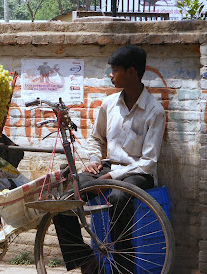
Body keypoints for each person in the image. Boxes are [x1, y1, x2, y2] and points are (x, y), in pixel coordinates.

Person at [54, 45, 166, 273]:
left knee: (118, 197)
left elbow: (149, 161)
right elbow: (96, 138)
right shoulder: (109, 104)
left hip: (137, 174)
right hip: (107, 167)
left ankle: (121, 268)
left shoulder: (154, 111)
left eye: (115, 70)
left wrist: (111, 176)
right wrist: (94, 159)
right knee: (63, 196)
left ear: (132, 72)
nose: (110, 75)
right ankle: (85, 260)